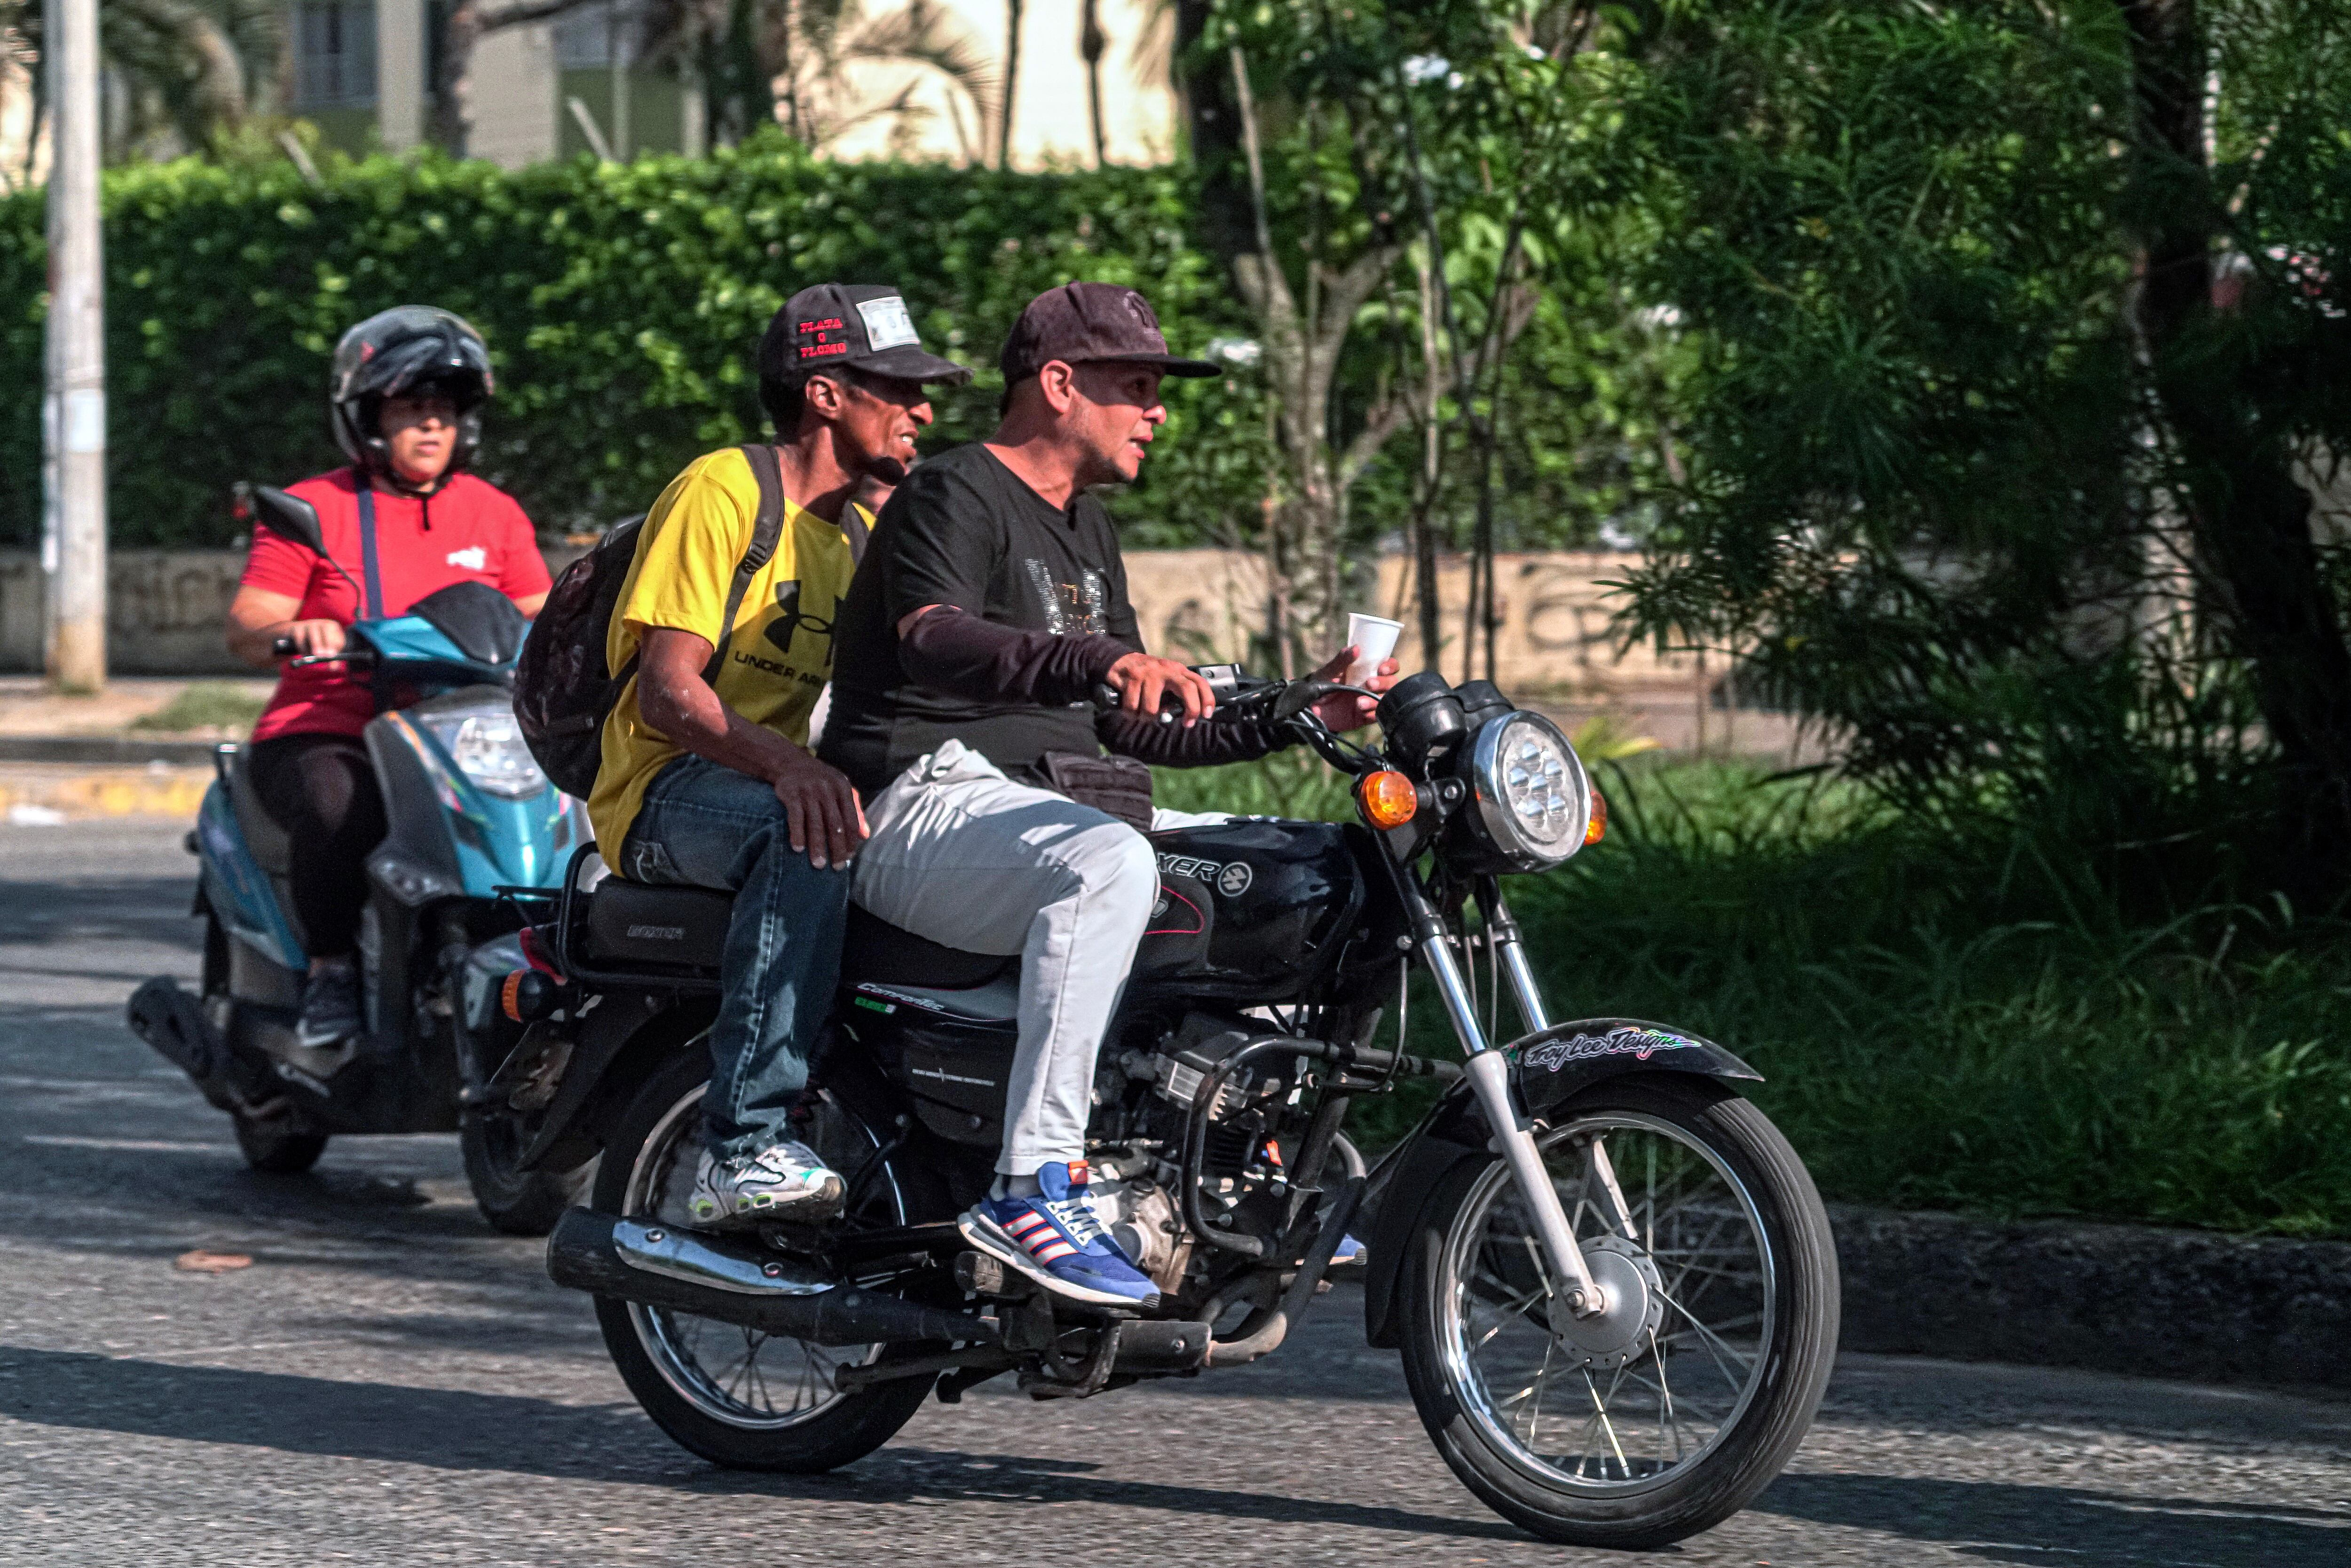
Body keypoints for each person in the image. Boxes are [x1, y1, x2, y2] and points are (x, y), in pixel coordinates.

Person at [821, 281, 1397, 1308]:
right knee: (1109, 865)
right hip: (917, 797)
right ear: (1057, 385)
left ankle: (1234, 1169)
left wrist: (1303, 710)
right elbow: (933, 638)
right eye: (1136, 386)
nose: (1157, 410)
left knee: (1282, 880)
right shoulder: (953, 491)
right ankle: (1031, 1184)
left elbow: (1133, 722)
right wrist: (1089, 657)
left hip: (1050, 802)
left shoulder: (1086, 528)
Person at [587, 283, 970, 1229]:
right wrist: (790, 769)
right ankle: (743, 1145)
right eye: (899, 388)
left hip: (778, 782)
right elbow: (670, 692)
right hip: (664, 791)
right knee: (810, 831)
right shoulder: (723, 489)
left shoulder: (861, 536)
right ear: (826, 394)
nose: (924, 411)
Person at [229, 306, 551, 1049]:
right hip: (327, 728)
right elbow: (247, 624)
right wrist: (296, 631)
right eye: (411, 410)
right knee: (340, 806)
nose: (431, 427)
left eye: (443, 410)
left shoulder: (493, 513)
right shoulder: (313, 508)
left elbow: (541, 613)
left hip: (461, 726)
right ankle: (330, 972)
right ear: (368, 419)